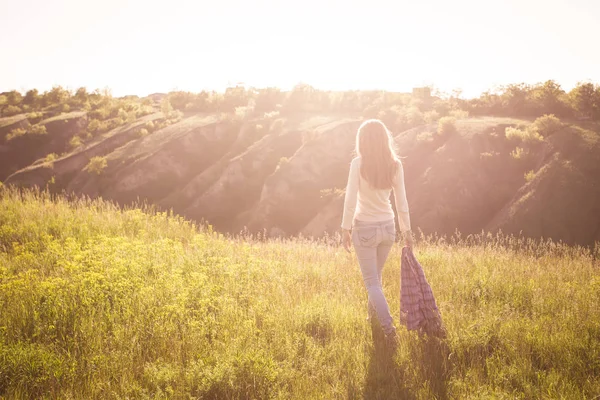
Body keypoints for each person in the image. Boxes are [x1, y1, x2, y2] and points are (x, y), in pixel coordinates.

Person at [341, 119, 413, 348]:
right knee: (376, 280)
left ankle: (389, 330)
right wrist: (407, 231)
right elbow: (401, 201)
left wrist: (345, 227)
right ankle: (372, 320)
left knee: (372, 282)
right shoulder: (395, 164)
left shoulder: (358, 163)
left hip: (364, 228)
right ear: (385, 139)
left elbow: (350, 197)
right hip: (388, 228)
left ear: (362, 140)